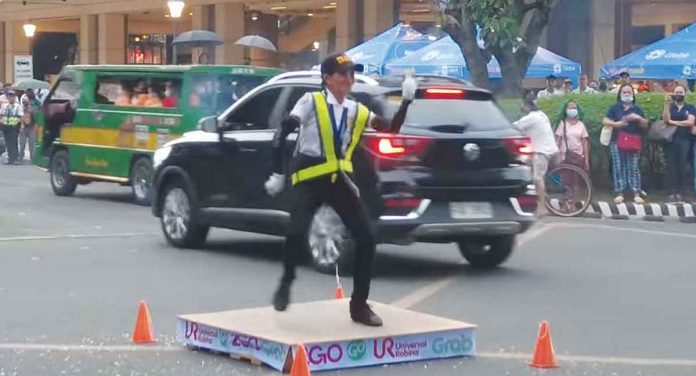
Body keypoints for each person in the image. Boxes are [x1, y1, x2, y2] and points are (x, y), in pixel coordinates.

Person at [264, 53, 417, 327]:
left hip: (338, 180)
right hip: (309, 176)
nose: (349, 79)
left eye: (352, 74)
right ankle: (286, 282)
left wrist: (406, 101)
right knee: (297, 233)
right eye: (342, 74)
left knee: (366, 238)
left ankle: (359, 306)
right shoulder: (311, 101)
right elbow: (284, 131)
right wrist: (277, 172)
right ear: (326, 78)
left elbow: (391, 128)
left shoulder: (356, 109)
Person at [602, 84, 649, 204]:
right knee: (618, 167)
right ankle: (619, 192)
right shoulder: (614, 108)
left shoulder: (637, 109)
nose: (627, 94)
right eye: (624, 92)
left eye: (629, 92)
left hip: (634, 141)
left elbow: (645, 124)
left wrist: (637, 118)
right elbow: (605, 120)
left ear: (633, 94)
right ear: (620, 94)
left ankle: (636, 192)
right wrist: (617, 124)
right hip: (617, 140)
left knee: (633, 167)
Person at [513, 95, 559, 216]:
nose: (522, 107)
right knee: (522, 160)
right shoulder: (541, 114)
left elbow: (515, 126)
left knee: (537, 178)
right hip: (544, 148)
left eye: (523, 105)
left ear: (527, 106)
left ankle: (542, 207)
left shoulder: (531, 118)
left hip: (542, 151)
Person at [662, 85, 696, 202]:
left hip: (685, 140)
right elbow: (666, 119)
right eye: (677, 92)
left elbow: (690, 122)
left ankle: (682, 191)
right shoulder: (671, 107)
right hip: (671, 140)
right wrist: (666, 105)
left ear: (685, 94)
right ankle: (672, 191)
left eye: (681, 92)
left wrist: (673, 122)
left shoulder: (690, 107)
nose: (679, 94)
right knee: (671, 166)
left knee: (682, 165)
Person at [555, 100, 590, 170]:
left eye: (574, 108)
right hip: (564, 157)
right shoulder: (562, 124)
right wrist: (556, 157)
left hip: (578, 157)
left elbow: (585, 143)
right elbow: (557, 141)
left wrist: (586, 160)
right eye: (570, 108)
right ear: (566, 110)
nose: (572, 110)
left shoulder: (581, 124)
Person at [0, 90, 24, 165]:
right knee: (8, 143)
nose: (11, 98)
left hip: (14, 126)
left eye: (12, 96)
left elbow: (21, 117)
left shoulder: (18, 106)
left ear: (14, 97)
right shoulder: (5, 106)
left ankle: (15, 158)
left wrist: (22, 126)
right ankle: (10, 158)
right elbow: (1, 115)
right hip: (5, 126)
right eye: (9, 96)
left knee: (14, 142)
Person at [19, 89, 40, 163]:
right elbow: (21, 117)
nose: (26, 103)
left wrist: (31, 110)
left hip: (32, 127)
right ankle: (20, 158)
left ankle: (33, 159)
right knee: (22, 144)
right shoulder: (21, 108)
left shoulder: (34, 108)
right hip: (24, 127)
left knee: (32, 145)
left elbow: (37, 118)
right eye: (24, 102)